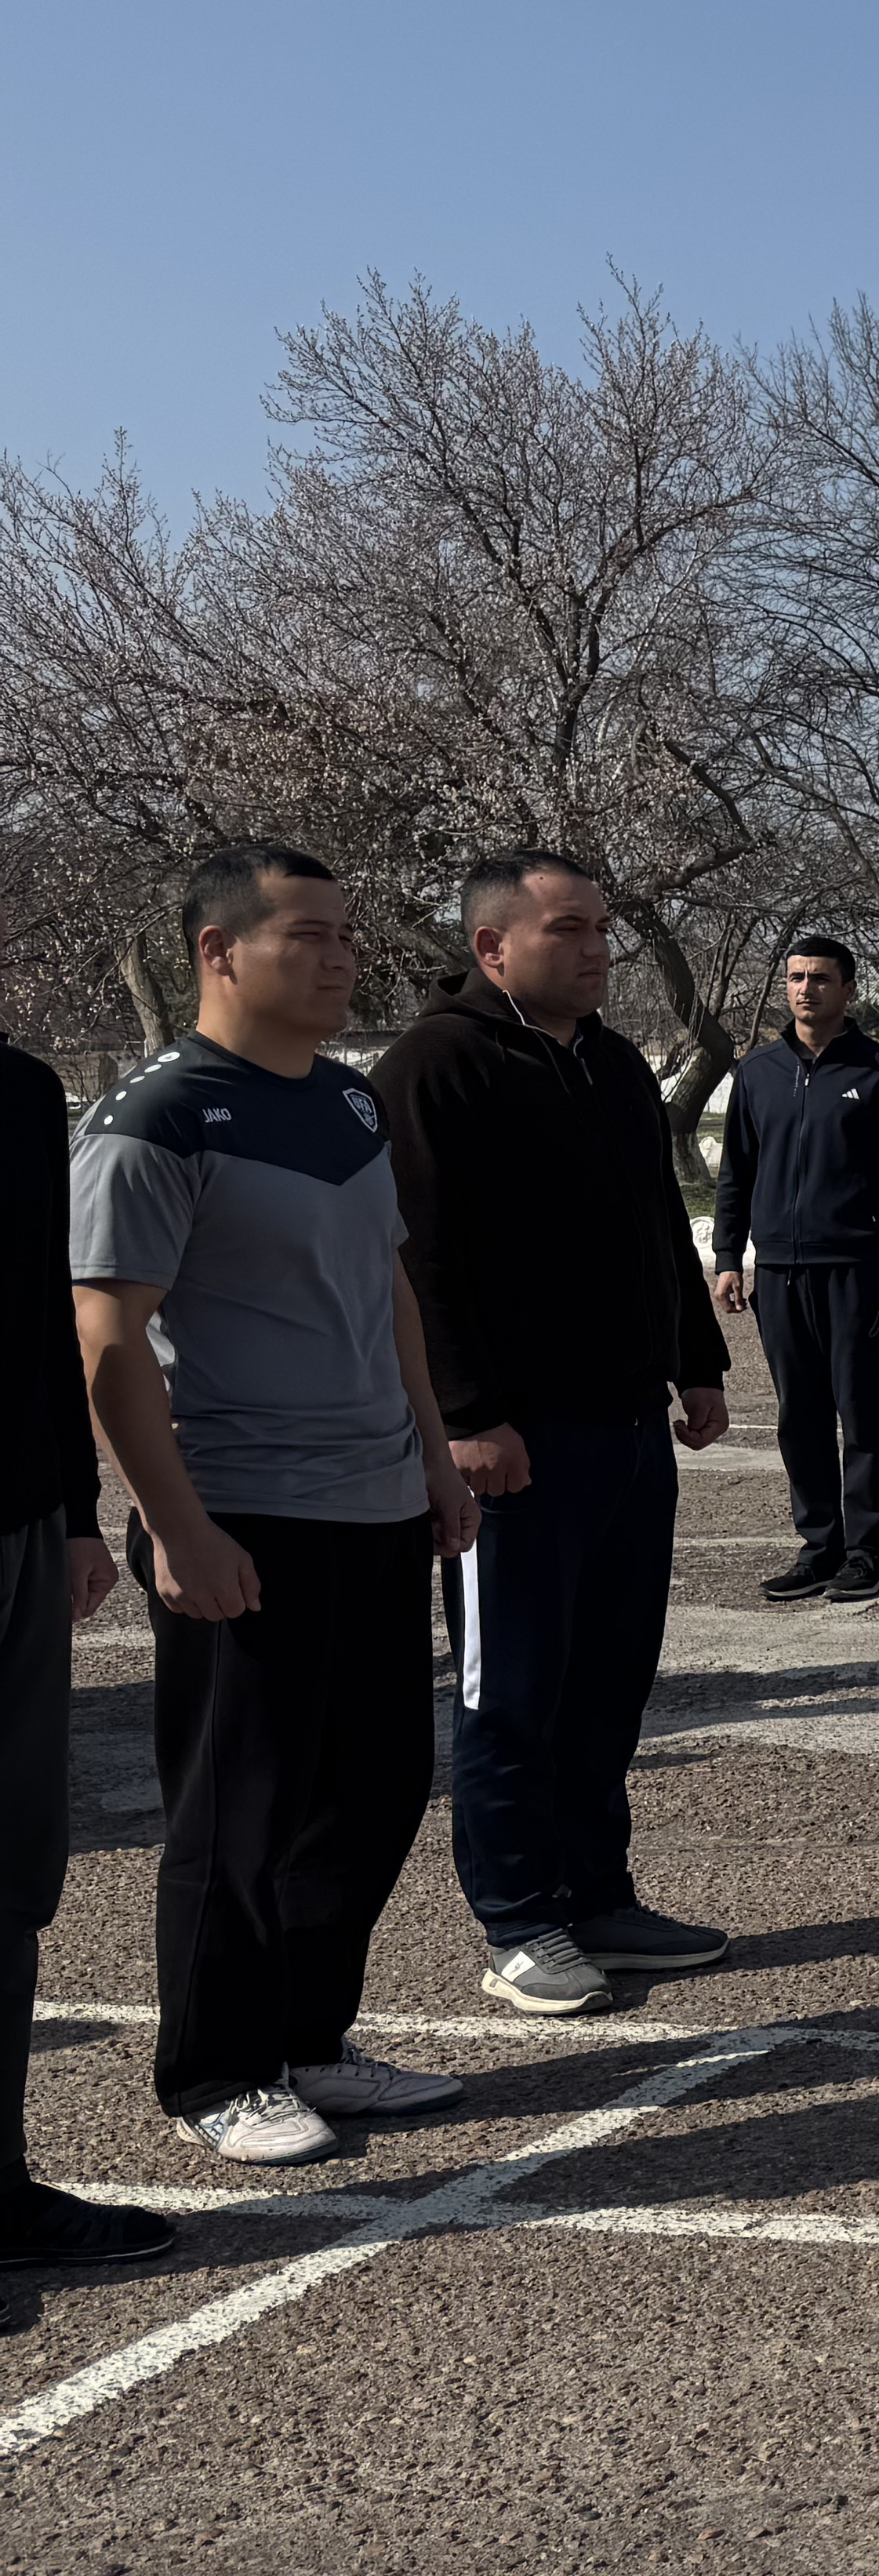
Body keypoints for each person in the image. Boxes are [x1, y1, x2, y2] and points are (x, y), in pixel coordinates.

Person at [70, 848, 479, 2171]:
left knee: (370, 1790)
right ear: (217, 950)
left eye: (347, 933)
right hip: (241, 1505)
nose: (341, 955)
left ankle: (310, 2039)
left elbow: (391, 1291)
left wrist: (430, 1451)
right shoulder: (158, 1117)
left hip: (371, 1500)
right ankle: (213, 2066)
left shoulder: (351, 1108)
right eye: (309, 934)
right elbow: (108, 1337)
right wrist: (175, 1523)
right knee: (234, 1805)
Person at [372, 848, 732, 2021]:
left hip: (626, 1426)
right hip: (514, 1441)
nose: (597, 950)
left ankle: (598, 1893)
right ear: (494, 948)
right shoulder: (439, 1063)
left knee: (608, 1677)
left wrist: (697, 1364)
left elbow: (655, 1229)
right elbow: (418, 1257)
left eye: (603, 931)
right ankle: (521, 1919)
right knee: (511, 1685)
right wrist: (469, 1419)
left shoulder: (615, 1065)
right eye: (570, 930)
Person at [13, 1014, 158, 2251]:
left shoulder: (19, 1092)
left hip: (14, 1520)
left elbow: (41, 1322)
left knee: (14, 1865)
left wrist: (71, 1514)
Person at [705, 936, 879, 1604]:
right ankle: (819, 1546)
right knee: (799, 1415)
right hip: (779, 1273)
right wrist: (731, 1256)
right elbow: (736, 1171)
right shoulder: (758, 1070)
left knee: (862, 1413)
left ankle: (866, 1552)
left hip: (854, 1268)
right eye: (796, 978)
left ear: (848, 989)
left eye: (820, 978)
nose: (805, 990)